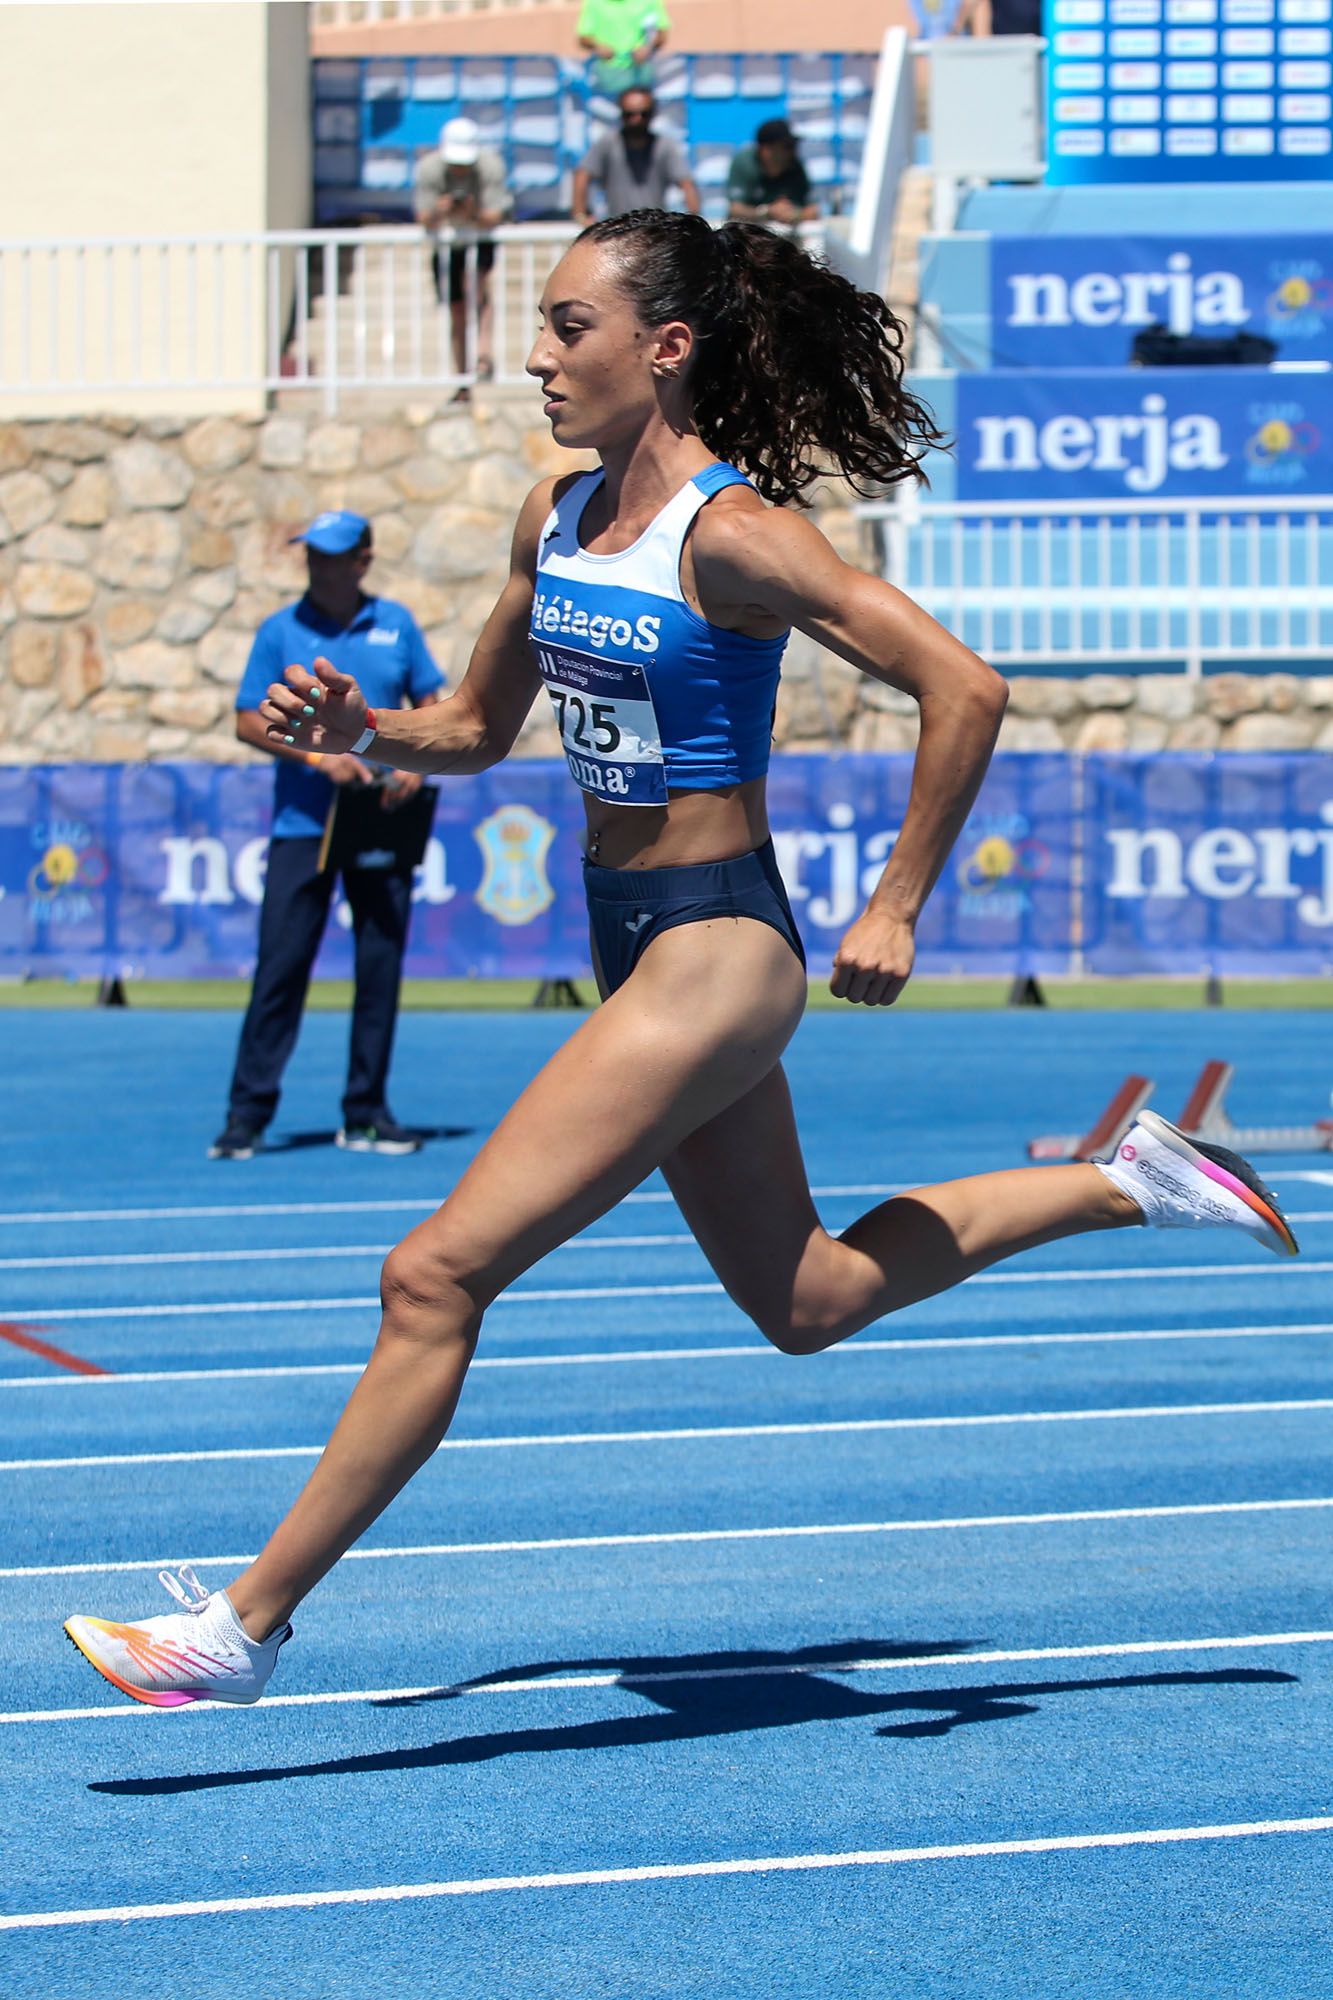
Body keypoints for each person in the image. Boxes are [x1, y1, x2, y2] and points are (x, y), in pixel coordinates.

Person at [65, 211, 1299, 1707]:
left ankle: (240, 1630)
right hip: (630, 939)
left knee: (434, 1275)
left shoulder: (736, 536)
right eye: (538, 324)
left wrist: (898, 900)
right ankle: (1141, 1179)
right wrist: (363, 735)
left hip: (716, 951)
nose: (536, 355)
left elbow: (962, 685)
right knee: (810, 1300)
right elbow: (471, 733)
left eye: (569, 327)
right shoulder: (553, 517)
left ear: (664, 347)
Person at [206, 510, 444, 1164]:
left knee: (379, 967)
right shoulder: (279, 630)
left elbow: (432, 702)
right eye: (312, 553)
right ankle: (246, 1115)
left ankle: (366, 1112)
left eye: (333, 554)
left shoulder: (395, 623)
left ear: (363, 559)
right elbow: (247, 720)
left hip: (382, 819)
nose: (319, 565)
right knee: (279, 969)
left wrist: (412, 765)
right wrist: (317, 759)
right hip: (303, 826)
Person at [413, 116, 512, 398]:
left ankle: (482, 353)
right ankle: (463, 377)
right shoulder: (429, 169)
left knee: (475, 287)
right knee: (457, 310)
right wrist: (441, 210)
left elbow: (494, 215)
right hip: (448, 245)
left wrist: (471, 213)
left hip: (478, 238)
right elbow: (424, 218)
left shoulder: (490, 166)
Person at [573, 86, 700, 225]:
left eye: (643, 114)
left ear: (652, 114)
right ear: (621, 114)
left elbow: (687, 184)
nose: (637, 120)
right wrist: (581, 216)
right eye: (629, 115)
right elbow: (582, 175)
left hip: (654, 229)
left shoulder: (664, 145)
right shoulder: (608, 143)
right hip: (617, 228)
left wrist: (691, 221)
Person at [726, 118, 818, 228]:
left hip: (787, 233)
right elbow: (735, 210)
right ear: (766, 150)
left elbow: (813, 210)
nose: (793, 152)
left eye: (794, 146)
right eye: (787, 146)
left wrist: (795, 214)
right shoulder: (745, 163)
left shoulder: (795, 166)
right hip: (750, 233)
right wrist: (766, 212)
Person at [577, 0, 668, 97]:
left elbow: (661, 32)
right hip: (608, 70)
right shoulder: (593, 2)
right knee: (611, 108)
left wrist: (648, 47)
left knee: (642, 107)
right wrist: (598, 46)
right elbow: (583, 37)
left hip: (642, 68)